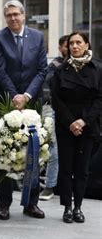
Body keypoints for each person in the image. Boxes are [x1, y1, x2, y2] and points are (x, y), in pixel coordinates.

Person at [0, 0, 47, 220]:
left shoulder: (37, 37)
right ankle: (4, 204)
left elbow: (42, 70)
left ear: (24, 15)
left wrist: (27, 96)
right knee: (5, 150)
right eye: (9, 15)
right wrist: (15, 95)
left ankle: (31, 203)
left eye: (16, 14)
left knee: (35, 151)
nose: (13, 18)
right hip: (7, 101)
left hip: (32, 102)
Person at [49, 31, 102, 223]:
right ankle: (67, 207)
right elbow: (56, 99)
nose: (75, 46)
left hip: (88, 126)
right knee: (66, 167)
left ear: (87, 45)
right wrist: (71, 122)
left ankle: (78, 206)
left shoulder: (97, 69)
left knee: (82, 169)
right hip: (66, 126)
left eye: (79, 42)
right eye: (71, 43)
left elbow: (99, 99)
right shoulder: (60, 70)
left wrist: (83, 121)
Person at [39, 35, 69, 201]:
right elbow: (49, 82)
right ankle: (49, 187)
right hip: (51, 109)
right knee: (54, 150)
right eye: (67, 45)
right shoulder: (55, 65)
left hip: (72, 113)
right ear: (60, 48)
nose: (71, 48)